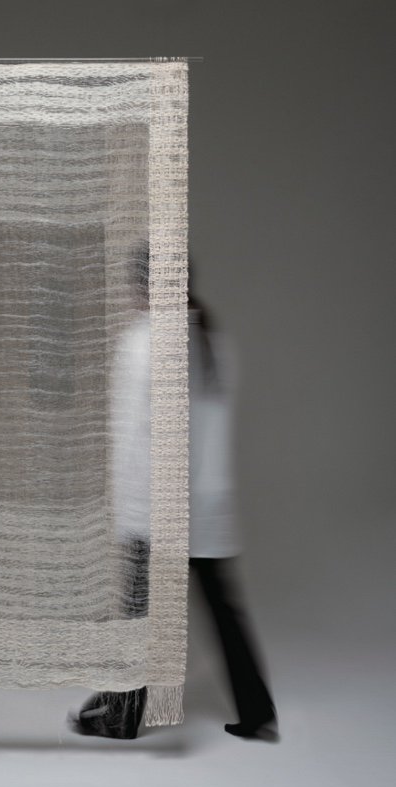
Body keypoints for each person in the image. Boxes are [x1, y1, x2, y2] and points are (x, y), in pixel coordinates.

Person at [71, 251, 277, 741]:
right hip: (207, 507)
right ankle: (256, 711)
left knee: (137, 614)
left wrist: (128, 513)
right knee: (222, 612)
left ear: (145, 287)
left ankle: (119, 715)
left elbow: (134, 438)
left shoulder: (144, 342)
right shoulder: (211, 339)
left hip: (157, 506)